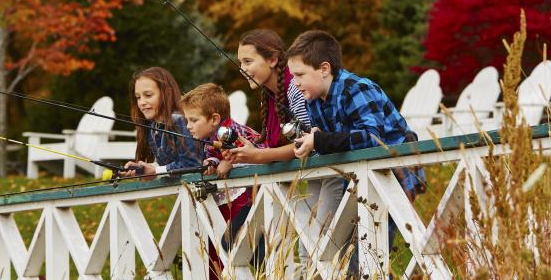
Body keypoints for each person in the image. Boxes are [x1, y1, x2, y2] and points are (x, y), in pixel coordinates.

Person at [287, 30, 425, 276]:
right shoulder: (315, 100)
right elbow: (333, 140)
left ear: (324, 69)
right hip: (359, 181)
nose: (295, 83)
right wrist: (314, 140)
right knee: (350, 254)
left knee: (366, 253)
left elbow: (371, 138)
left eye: (299, 75)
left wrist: (320, 139)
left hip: (394, 174)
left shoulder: (356, 88)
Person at [225, 28, 345, 277]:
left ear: (272, 60)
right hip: (312, 179)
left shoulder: (294, 88)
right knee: (308, 250)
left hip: (330, 172)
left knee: (320, 248)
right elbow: (273, 144)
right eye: (240, 62)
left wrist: (258, 157)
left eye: (248, 61)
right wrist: (242, 154)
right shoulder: (269, 95)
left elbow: (305, 141)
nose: (242, 68)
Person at [180, 83, 264, 278]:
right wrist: (212, 161)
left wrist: (230, 161)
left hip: (253, 194)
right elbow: (213, 153)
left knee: (245, 245)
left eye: (193, 120)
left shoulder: (231, 131)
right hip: (242, 195)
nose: (188, 126)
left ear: (214, 119)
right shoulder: (211, 136)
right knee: (238, 247)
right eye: (187, 120)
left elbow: (259, 152)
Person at [120, 67, 202, 178]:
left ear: (166, 93)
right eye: (138, 97)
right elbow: (166, 164)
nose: (141, 102)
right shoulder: (153, 126)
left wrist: (155, 171)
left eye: (148, 95)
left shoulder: (180, 121)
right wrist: (143, 169)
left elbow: (192, 164)